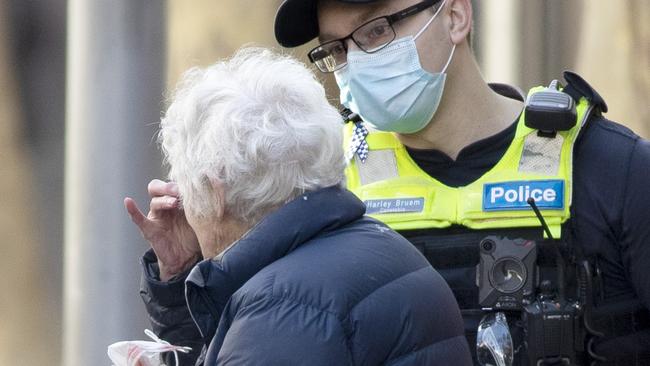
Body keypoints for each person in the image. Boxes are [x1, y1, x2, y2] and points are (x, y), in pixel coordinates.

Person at [273, 0, 650, 365]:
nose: (354, 62)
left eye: (376, 31)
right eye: (336, 49)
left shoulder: (612, 166)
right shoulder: (322, 186)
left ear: (454, 16)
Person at [125, 48, 471, 365]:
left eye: (186, 188)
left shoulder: (280, 309)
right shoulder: (372, 245)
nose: (186, 208)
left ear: (216, 194)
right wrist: (182, 275)